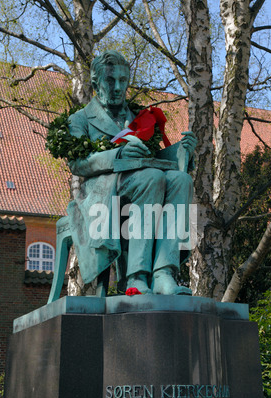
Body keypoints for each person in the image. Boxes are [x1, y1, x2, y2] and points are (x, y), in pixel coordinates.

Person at [67, 50, 197, 295]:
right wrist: (117, 155)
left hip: (144, 182)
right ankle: (136, 277)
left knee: (181, 180)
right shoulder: (81, 119)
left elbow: (152, 158)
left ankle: (164, 273)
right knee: (152, 178)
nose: (117, 87)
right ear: (95, 83)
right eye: (110, 80)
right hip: (103, 191)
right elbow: (77, 162)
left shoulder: (140, 118)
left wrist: (181, 154)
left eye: (122, 80)